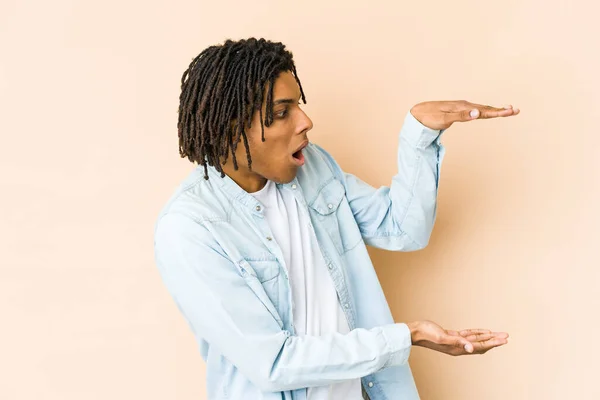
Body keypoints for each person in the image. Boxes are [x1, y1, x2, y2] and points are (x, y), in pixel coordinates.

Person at [153, 37, 518, 400]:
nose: (305, 121)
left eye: (298, 105)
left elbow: (401, 229)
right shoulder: (189, 229)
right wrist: (408, 335)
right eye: (282, 113)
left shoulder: (313, 167)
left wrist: (420, 136)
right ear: (231, 126)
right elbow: (273, 362)